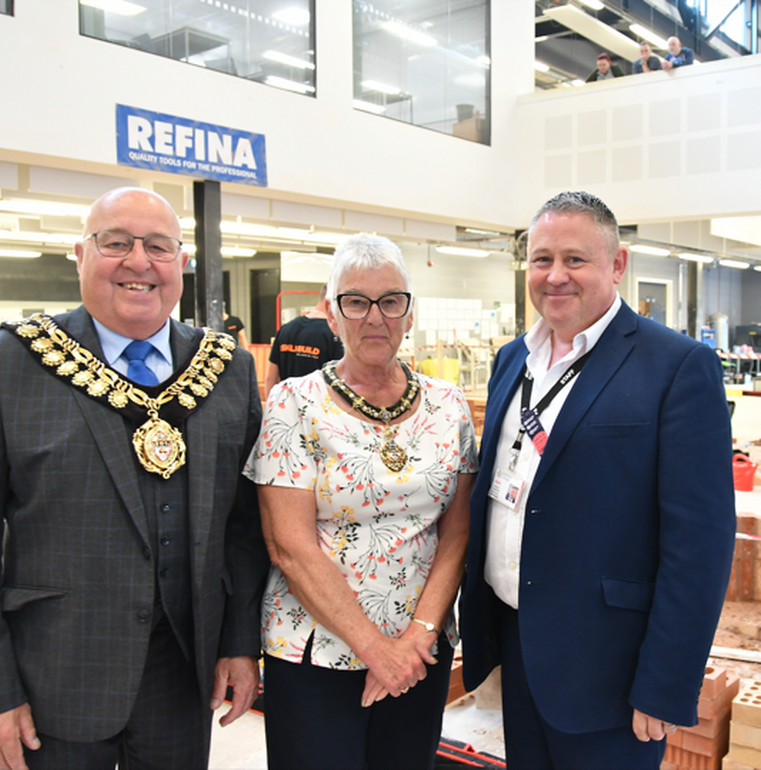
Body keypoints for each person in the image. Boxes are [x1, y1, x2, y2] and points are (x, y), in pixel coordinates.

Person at [0, 187, 268, 770]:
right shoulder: (5, 363)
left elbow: (243, 528)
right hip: (52, 678)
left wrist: (238, 645)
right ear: (79, 254)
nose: (138, 262)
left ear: (181, 264)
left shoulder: (225, 368)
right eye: (116, 243)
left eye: (158, 246)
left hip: (182, 680)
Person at [460, 191, 735, 770]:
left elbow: (700, 544)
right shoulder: (514, 359)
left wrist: (665, 683)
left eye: (575, 259)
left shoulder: (675, 367)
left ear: (617, 264)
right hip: (519, 645)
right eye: (541, 259)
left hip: (613, 671)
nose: (555, 276)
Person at [244, 233, 478, 770]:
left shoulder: (448, 405)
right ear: (331, 312)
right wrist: (377, 651)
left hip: (420, 652)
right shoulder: (294, 403)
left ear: (410, 313)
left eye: (391, 300)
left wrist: (416, 639)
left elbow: (458, 531)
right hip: (314, 653)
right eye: (356, 301)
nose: (375, 317)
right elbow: (290, 546)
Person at [264, 283, 344, 395]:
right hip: (318, 408)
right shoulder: (334, 334)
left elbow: (270, 379)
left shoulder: (285, 330)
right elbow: (340, 382)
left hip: (286, 406)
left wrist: (271, 408)